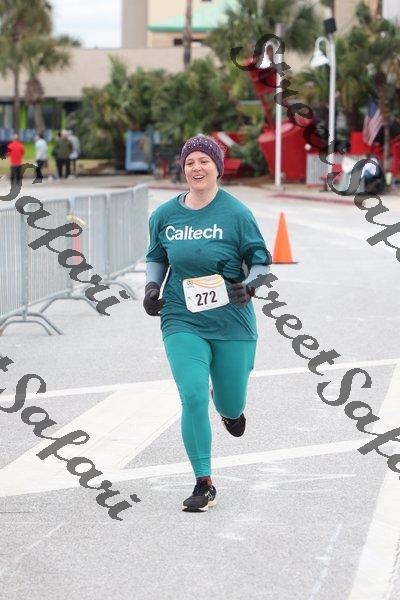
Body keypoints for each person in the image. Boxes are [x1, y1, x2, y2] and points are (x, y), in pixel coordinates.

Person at [143, 134, 271, 513]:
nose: (196, 168)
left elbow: (261, 261)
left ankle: (229, 409)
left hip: (232, 321)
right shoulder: (165, 216)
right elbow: (157, 256)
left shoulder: (237, 214)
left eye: (204, 161)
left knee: (230, 401)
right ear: (183, 169)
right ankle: (204, 482)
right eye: (189, 162)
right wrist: (151, 288)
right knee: (193, 395)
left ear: (218, 167)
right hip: (181, 317)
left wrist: (250, 286)